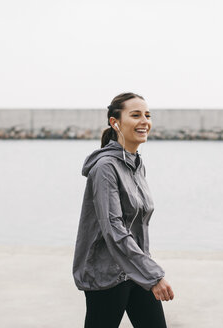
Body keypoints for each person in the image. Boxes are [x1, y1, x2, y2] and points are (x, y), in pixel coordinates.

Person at [73, 92, 174, 328]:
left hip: (135, 270)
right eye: (136, 115)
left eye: (147, 115)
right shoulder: (105, 167)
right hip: (106, 274)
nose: (144, 121)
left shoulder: (136, 163)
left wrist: (144, 268)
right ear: (114, 122)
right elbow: (113, 228)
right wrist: (153, 274)